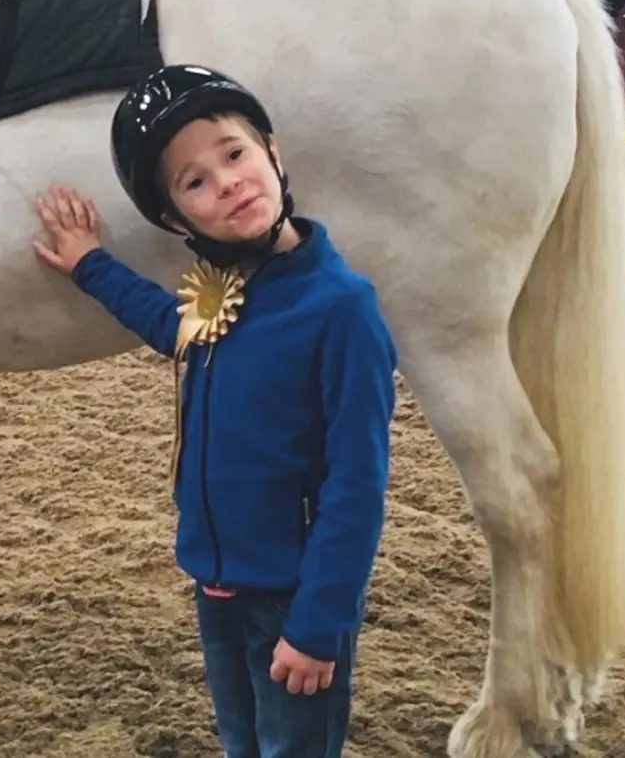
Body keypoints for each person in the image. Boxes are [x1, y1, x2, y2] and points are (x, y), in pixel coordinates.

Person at [31, 64, 397, 758]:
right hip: (217, 585)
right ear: (176, 218)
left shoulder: (343, 309)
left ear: (273, 154)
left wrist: (319, 625)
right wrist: (90, 264)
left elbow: (358, 485)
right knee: (241, 741)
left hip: (295, 599)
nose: (226, 181)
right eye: (195, 181)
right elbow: (169, 327)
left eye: (234, 154)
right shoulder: (222, 295)